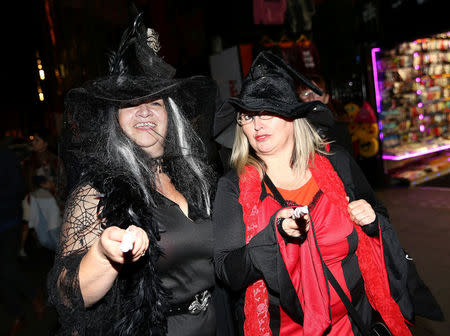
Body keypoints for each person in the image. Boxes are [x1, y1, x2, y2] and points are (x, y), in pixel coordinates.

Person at [212, 51, 437, 335]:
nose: (257, 124)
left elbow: (380, 215)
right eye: (247, 116)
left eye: (267, 112)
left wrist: (370, 221)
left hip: (358, 320)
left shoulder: (337, 162)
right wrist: (273, 237)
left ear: (293, 118)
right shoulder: (233, 187)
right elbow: (227, 271)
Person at [47, 14, 226, 336]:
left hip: (214, 322)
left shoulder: (197, 180)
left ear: (170, 117)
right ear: (115, 120)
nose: (144, 110)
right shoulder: (96, 192)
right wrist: (103, 255)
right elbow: (68, 294)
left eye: (155, 102)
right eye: (130, 103)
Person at [0, 136, 45, 336]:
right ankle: (18, 311)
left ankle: (29, 301)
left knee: (7, 268)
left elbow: (18, 188)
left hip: (7, 223)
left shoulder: (5, 156)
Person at [297, 73, 354, 157]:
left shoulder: (340, 130)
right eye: (306, 94)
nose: (312, 98)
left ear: (326, 98)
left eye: (317, 93)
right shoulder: (295, 130)